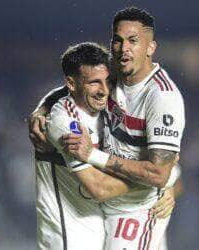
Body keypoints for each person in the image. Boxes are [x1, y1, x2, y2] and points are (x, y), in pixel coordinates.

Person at [31, 7, 185, 249]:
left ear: (150, 48)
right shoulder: (112, 75)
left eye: (133, 41)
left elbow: (159, 173)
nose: (124, 48)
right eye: (118, 40)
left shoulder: (161, 97)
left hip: (135, 211)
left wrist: (163, 184)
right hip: (102, 208)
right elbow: (73, 87)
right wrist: (41, 109)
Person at [36, 42, 142, 250]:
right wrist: (151, 181)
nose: (104, 90)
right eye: (94, 82)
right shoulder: (65, 121)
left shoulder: (107, 106)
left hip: (103, 231)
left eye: (107, 81)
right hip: (69, 237)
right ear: (72, 83)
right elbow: (99, 188)